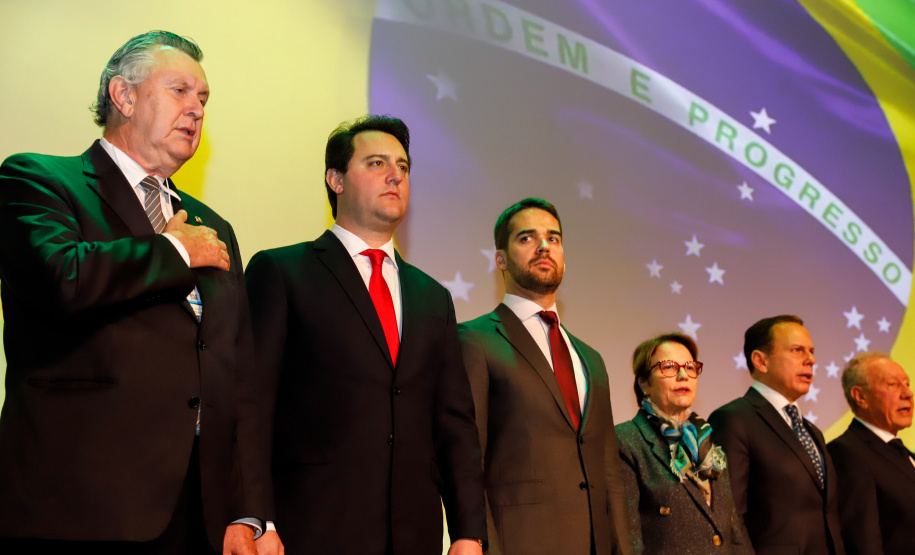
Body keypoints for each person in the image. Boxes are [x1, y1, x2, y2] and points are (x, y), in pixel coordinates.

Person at [0, 31, 269, 554]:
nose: (196, 109)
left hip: (200, 513)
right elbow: (64, 278)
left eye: (204, 99)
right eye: (180, 91)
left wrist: (249, 510)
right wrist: (171, 253)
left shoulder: (213, 227)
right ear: (123, 96)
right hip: (80, 505)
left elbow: (238, 378)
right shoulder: (39, 180)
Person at [245, 115, 486, 555]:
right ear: (335, 179)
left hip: (413, 533)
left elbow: (455, 424)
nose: (395, 174)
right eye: (376, 162)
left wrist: (469, 531)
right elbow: (253, 405)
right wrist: (258, 519)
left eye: (403, 166)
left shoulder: (433, 297)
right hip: (309, 527)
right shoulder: (281, 272)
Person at [458, 198, 630, 555]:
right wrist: (478, 541)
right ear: (500, 260)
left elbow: (609, 470)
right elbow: (466, 458)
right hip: (520, 542)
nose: (543, 247)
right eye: (527, 238)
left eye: (553, 238)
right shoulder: (474, 340)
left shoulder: (591, 359)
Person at [708, 315, 844, 555]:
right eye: (797, 350)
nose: (811, 360)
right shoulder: (734, 419)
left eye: (811, 351)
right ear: (761, 361)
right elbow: (729, 514)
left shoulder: (812, 431)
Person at [615, 333, 752, 553]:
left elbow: (733, 531)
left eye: (690, 367)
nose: (683, 375)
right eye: (668, 367)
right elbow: (628, 540)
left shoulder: (708, 443)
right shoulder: (626, 441)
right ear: (643, 383)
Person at [827, 352, 915, 554]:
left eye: (907, 383)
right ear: (861, 396)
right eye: (892, 385)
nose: (908, 393)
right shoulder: (846, 452)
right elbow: (862, 543)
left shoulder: (904, 453)